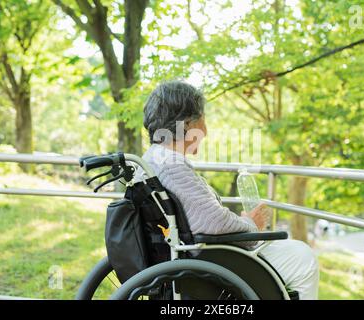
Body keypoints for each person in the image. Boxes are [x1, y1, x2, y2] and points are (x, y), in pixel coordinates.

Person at [136, 80, 319, 300]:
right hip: (211, 265)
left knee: (293, 251)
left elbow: (202, 217)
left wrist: (243, 224)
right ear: (187, 124)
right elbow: (212, 223)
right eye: (203, 119)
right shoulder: (171, 165)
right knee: (302, 257)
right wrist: (252, 225)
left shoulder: (152, 160)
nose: (206, 130)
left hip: (193, 256)